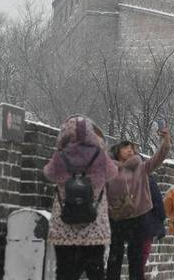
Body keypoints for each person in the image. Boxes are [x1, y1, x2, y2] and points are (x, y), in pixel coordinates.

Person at [43, 115, 118, 280]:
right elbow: (113, 173)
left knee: (64, 271)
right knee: (95, 270)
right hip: (94, 222)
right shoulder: (99, 155)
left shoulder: (61, 155)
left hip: (65, 221)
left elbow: (48, 173)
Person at [106, 130, 171, 280]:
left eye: (132, 148)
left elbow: (158, 158)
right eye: (125, 147)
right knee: (114, 256)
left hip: (138, 218)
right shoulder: (109, 169)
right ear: (117, 151)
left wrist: (165, 142)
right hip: (116, 217)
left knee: (136, 259)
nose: (129, 150)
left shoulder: (141, 167)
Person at [140, 175, 166, 275]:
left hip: (126, 225)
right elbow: (158, 203)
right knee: (143, 255)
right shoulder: (148, 179)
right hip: (146, 224)